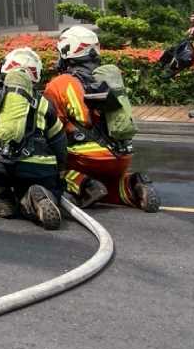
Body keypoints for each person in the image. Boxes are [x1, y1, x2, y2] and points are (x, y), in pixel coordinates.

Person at [44, 26, 159, 212]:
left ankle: (84, 185)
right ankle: (133, 186)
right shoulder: (108, 78)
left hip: (86, 158)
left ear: (67, 50)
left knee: (48, 171)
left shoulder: (59, 84)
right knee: (111, 187)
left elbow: (49, 126)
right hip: (121, 155)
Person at [0, 47, 66, 230]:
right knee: (53, 186)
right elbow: (58, 139)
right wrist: (60, 169)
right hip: (37, 167)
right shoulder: (43, 103)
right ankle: (36, 198)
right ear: (35, 75)